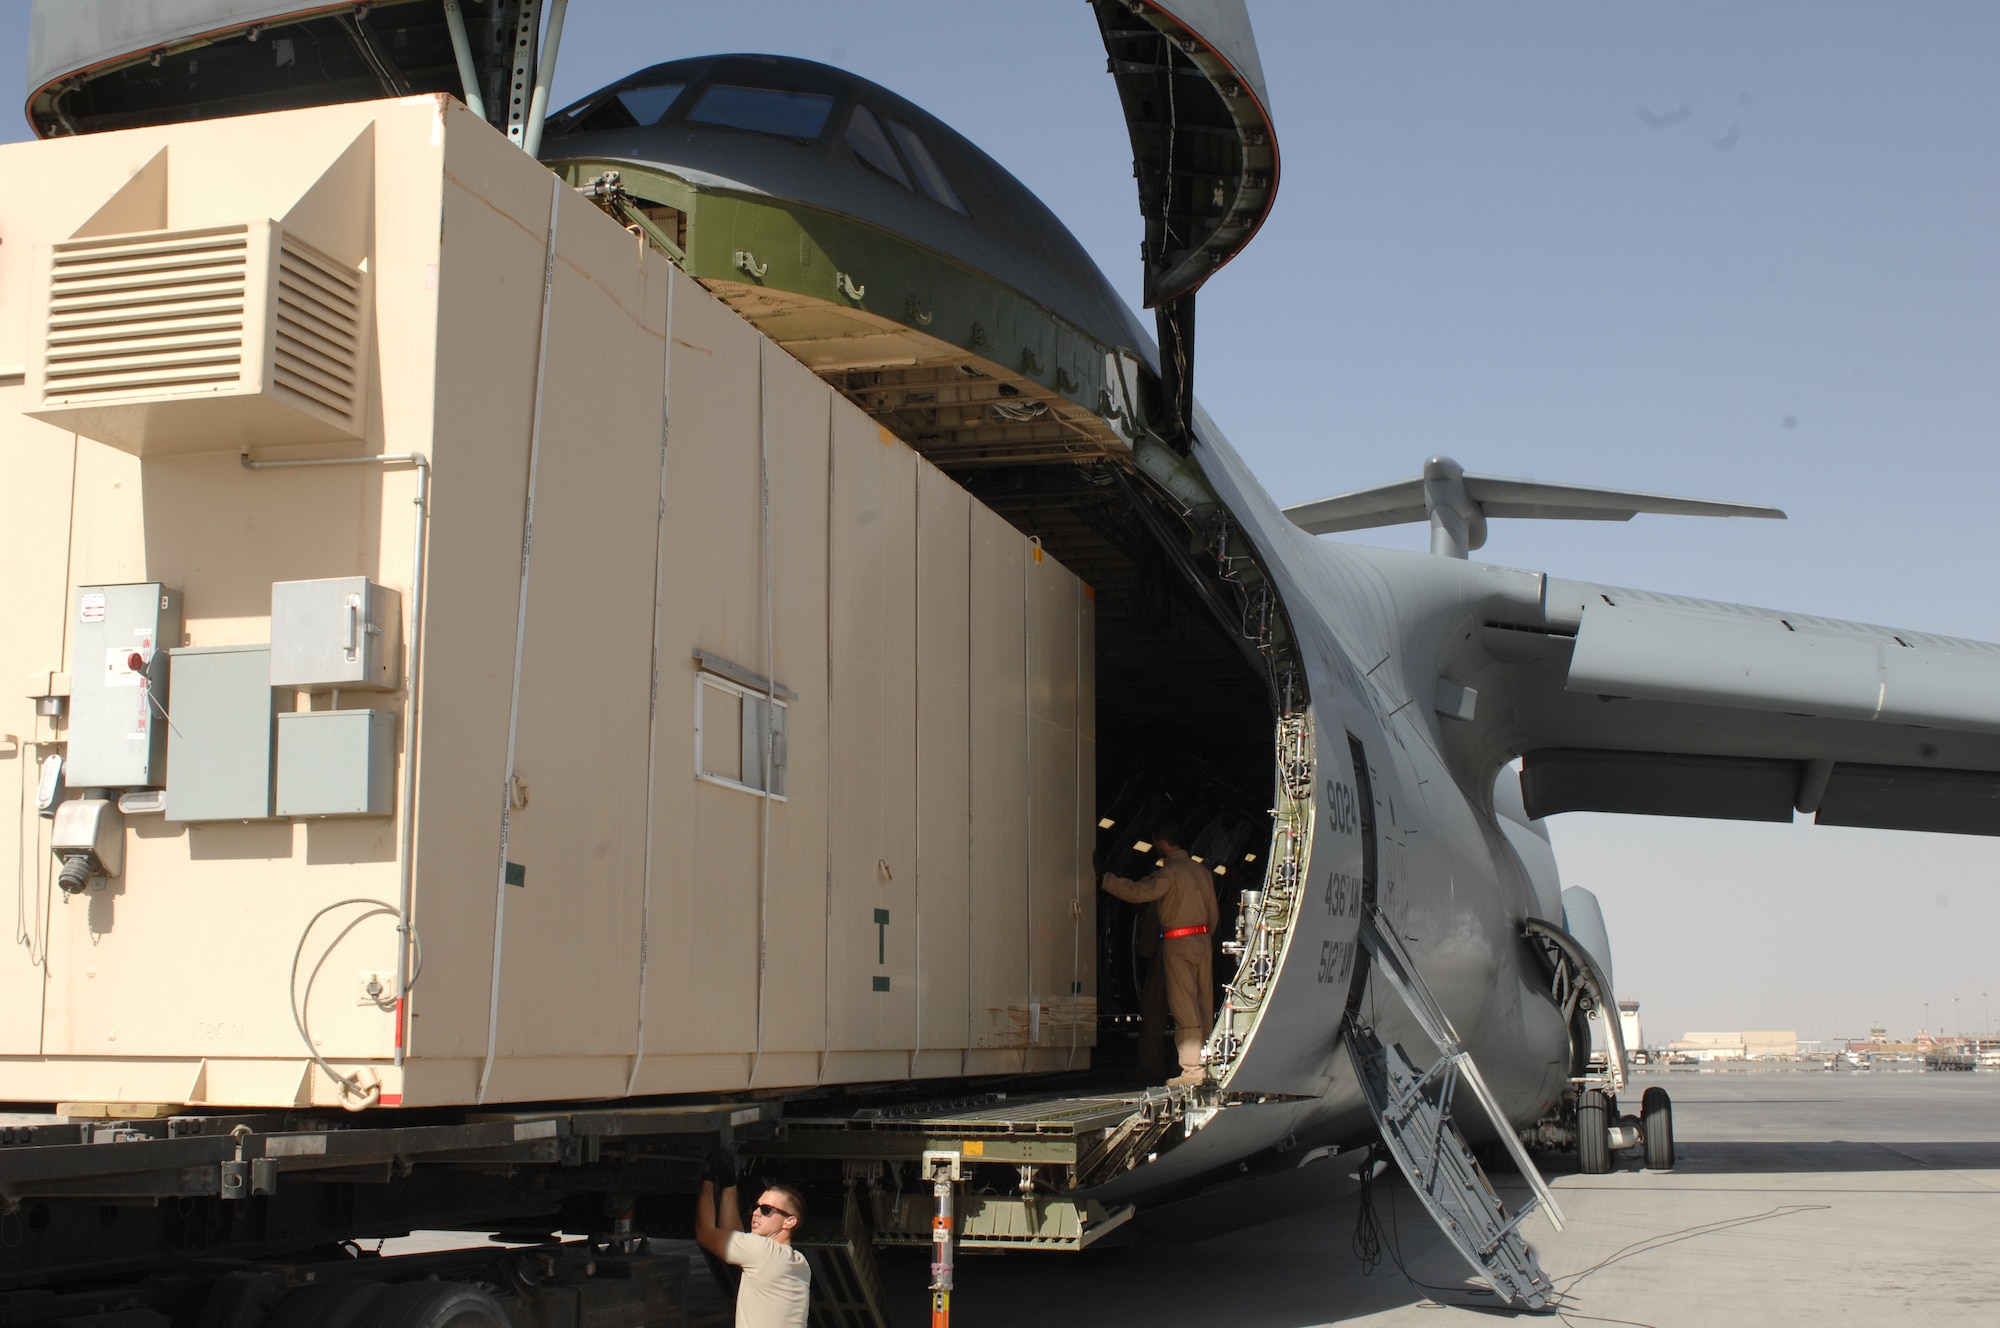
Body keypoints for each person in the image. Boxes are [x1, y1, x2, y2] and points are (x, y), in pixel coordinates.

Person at [1100, 823, 1218, 1086]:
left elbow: (1140, 892)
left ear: (1161, 842)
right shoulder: (1203, 873)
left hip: (1177, 943)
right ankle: (1208, 1062)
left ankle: (1192, 1069)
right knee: (1202, 1006)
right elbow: (1213, 915)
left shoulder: (1170, 873)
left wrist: (1106, 880)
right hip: (1202, 942)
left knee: (1183, 1007)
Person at [694, 1152, 811, 1328]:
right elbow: (734, 1237)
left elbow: (705, 1233)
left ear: (789, 1221)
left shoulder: (762, 1252)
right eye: (756, 1207)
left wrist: (707, 1179)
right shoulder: (800, 1263)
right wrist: (729, 1183)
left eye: (766, 1210)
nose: (755, 1213)